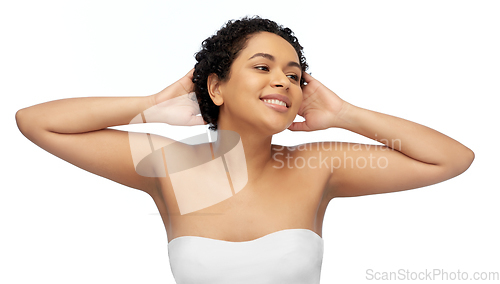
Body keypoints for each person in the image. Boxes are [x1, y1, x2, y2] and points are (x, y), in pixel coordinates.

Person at [15, 16, 474, 284]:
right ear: (216, 86)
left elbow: (452, 158)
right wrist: (151, 106)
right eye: (263, 67)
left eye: (294, 76)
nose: (282, 80)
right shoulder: (168, 166)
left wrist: (346, 114)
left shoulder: (319, 166)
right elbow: (36, 122)